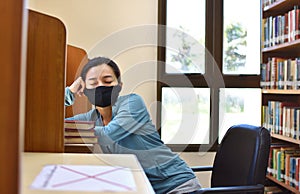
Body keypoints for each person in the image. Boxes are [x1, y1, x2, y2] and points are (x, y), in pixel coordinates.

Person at [65, 56, 201, 194]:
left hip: (177, 186)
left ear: (119, 86)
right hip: (145, 189)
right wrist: (70, 92)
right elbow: (54, 125)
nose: (100, 86)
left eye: (107, 80)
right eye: (93, 83)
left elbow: (107, 135)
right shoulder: (92, 117)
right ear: (84, 90)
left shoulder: (132, 103)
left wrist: (80, 129)